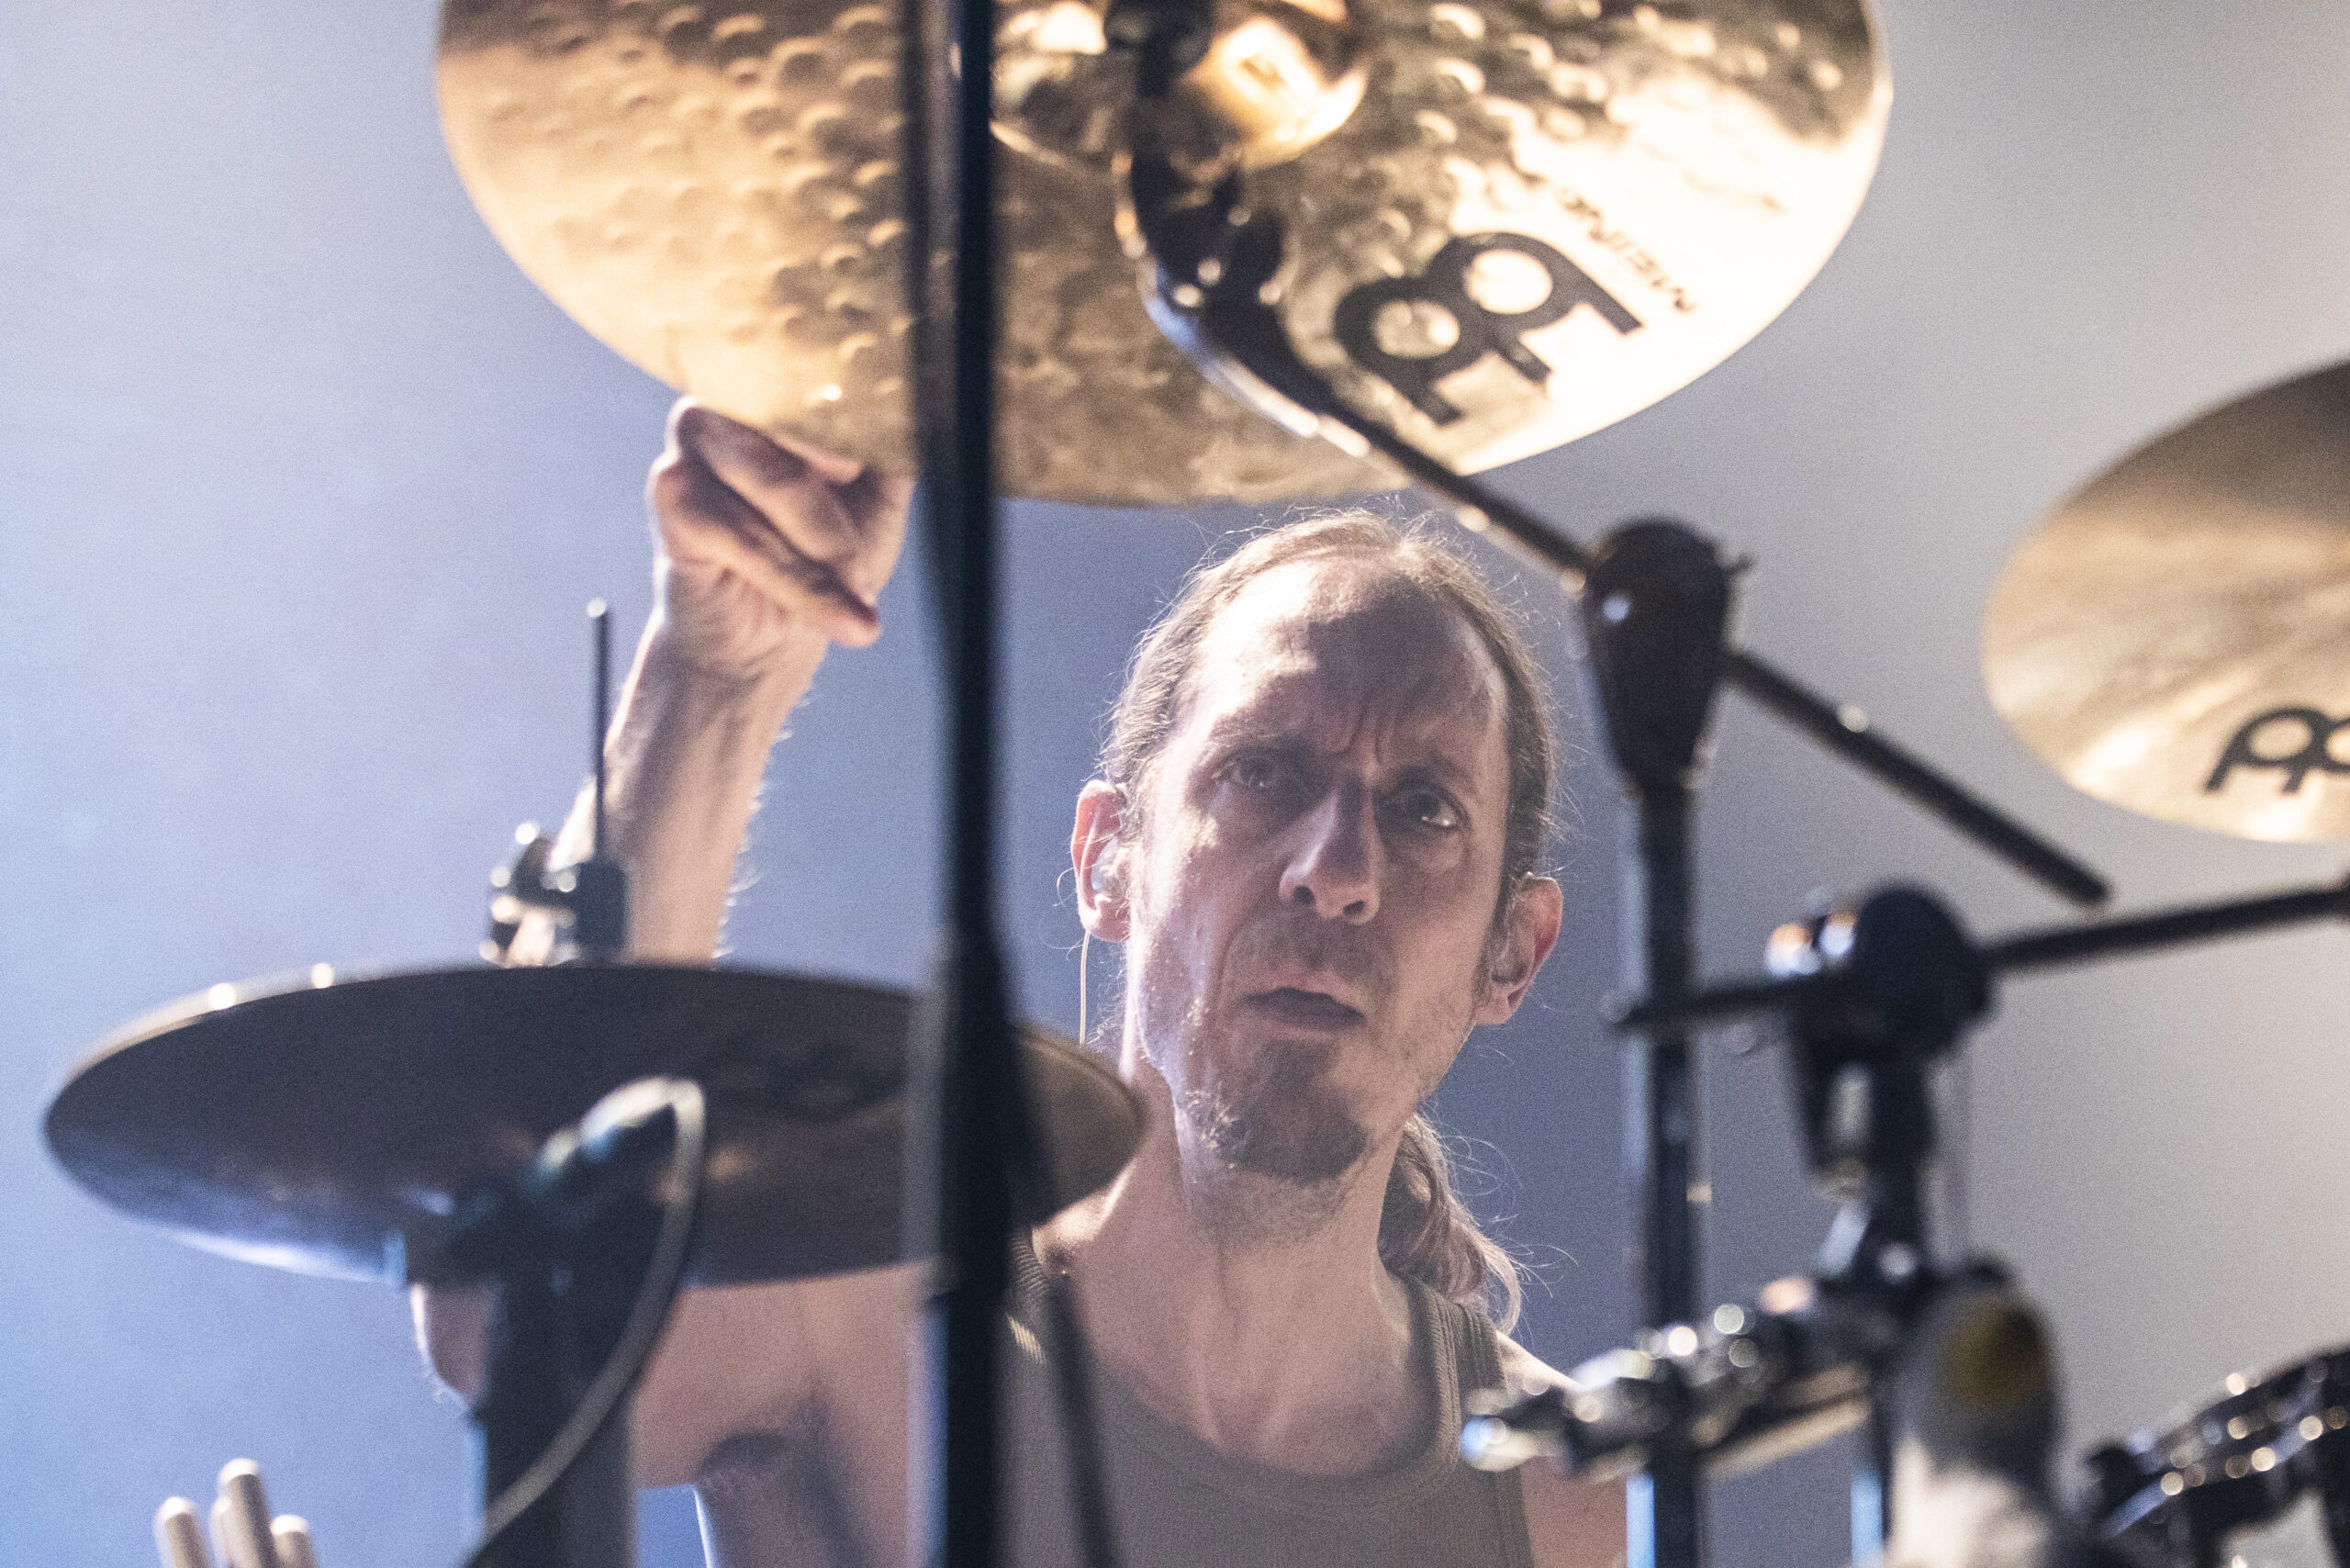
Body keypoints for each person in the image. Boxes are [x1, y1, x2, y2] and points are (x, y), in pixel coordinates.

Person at [418, 399, 1627, 1568]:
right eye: (1263, 772)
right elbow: (513, 1324)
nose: (1338, 873)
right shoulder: (858, 1312)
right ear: (1107, 860)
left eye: (1423, 810)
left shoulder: (1566, 1501)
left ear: (1513, 953)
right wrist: (714, 677)